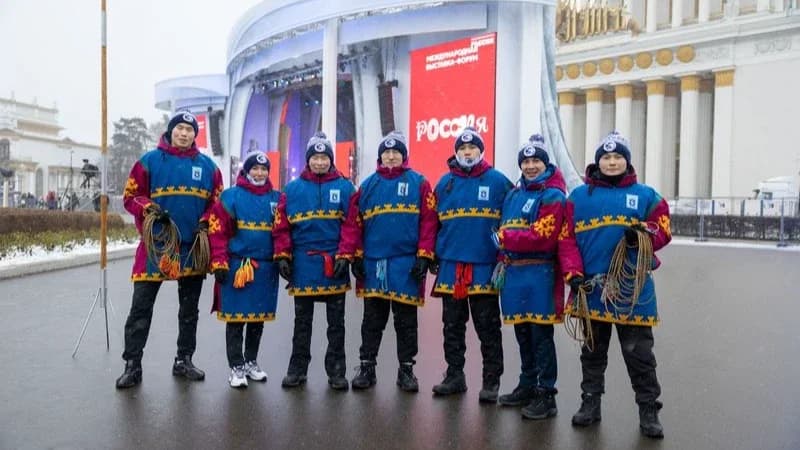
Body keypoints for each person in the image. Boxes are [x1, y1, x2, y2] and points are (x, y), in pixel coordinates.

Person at [558, 131, 672, 438]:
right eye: (606, 157)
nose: (611, 162)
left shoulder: (647, 196)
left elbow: (663, 229)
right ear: (597, 162)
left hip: (632, 291)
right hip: (591, 290)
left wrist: (644, 235)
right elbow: (566, 239)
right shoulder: (578, 197)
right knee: (592, 352)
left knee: (640, 355)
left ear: (627, 160)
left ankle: (648, 410)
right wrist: (573, 273)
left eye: (617, 157)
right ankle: (590, 404)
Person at [115, 111, 223, 389]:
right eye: (180, 129)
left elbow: (217, 203)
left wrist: (205, 222)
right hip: (155, 248)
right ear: (171, 131)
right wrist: (147, 207)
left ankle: (183, 360)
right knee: (140, 309)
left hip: (192, 249)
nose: (184, 133)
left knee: (189, 311)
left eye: (189, 129)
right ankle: (132, 364)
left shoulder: (209, 168)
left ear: (194, 134)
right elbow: (131, 196)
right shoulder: (149, 162)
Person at [339, 131, 437, 392]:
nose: (391, 156)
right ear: (381, 156)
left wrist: (424, 256)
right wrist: (355, 256)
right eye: (386, 152)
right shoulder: (368, 186)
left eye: (396, 152)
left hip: (406, 266)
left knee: (406, 321)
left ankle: (406, 370)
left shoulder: (420, 183)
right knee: (373, 320)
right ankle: (367, 367)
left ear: (404, 155)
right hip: (375, 265)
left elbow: (429, 222)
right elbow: (353, 225)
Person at [429, 127, 511, 402]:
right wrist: (431, 254)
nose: (467, 152)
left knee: (487, 327)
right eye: (462, 149)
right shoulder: (443, 184)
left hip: (484, 267)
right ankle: (455, 375)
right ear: (456, 152)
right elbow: (432, 224)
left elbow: (510, 223)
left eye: (472, 148)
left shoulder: (499, 182)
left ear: (481, 151)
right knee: (452, 326)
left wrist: (504, 257)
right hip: (452, 267)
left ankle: (491, 380)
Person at [272, 132, 356, 391]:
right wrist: (283, 255)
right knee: (302, 323)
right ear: (309, 160)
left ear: (330, 159)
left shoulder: (345, 187)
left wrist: (345, 254)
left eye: (324, 157)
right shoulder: (292, 190)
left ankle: (337, 372)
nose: (320, 162)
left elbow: (352, 225)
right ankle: (297, 370)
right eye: (315, 157)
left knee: (336, 324)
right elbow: (281, 227)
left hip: (334, 262)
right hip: (303, 264)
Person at [493, 134, 568, 419]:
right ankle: (527, 384)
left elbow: (543, 237)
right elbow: (504, 231)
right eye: (526, 161)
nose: (531, 166)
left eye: (536, 160)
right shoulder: (513, 194)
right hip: (514, 273)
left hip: (540, 273)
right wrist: (502, 258)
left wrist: (506, 238)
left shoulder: (553, 196)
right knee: (522, 334)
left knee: (541, 337)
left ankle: (546, 394)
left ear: (546, 163)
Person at [207, 151, 280, 388]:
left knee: (257, 319)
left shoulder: (277, 199)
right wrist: (219, 262)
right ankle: (236, 366)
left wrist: (284, 257)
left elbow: (283, 232)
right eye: (255, 168)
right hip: (238, 267)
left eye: (264, 169)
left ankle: (251, 362)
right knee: (237, 320)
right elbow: (217, 232)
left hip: (265, 268)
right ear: (246, 171)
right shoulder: (230, 197)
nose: (259, 173)